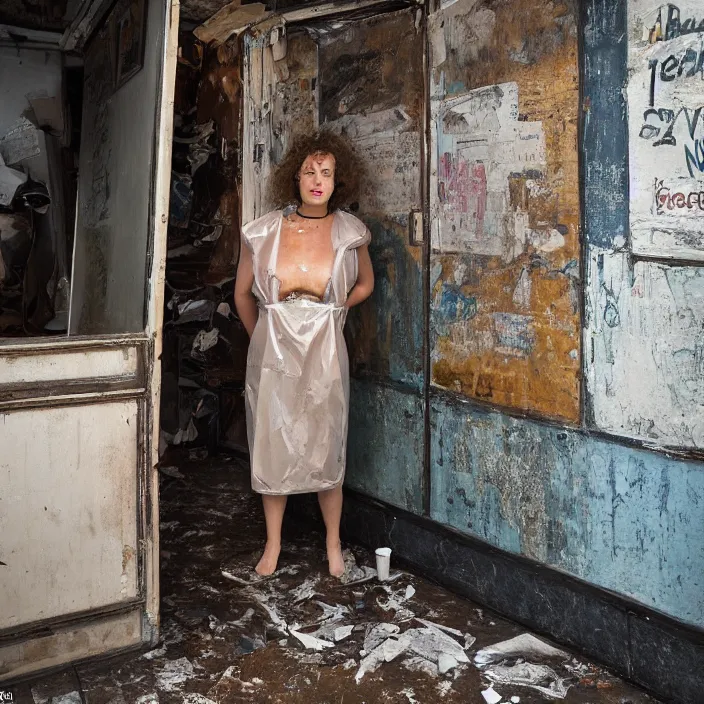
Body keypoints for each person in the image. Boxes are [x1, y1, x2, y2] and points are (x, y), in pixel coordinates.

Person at [234, 131, 374, 578]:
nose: (318, 180)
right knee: (272, 445)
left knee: (326, 445)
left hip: (325, 350)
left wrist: (335, 311)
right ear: (295, 176)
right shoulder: (264, 231)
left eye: (327, 173)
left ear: (338, 181)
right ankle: (272, 544)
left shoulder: (351, 232)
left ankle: (333, 543)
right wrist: (264, 340)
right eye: (310, 172)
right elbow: (242, 295)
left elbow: (365, 284)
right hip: (274, 350)